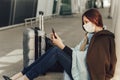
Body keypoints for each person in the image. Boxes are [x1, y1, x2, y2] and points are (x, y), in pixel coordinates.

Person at [3, 8, 117, 80]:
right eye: (83, 23)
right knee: (53, 51)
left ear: (95, 20)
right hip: (81, 66)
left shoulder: (103, 39)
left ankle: (24, 78)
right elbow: (78, 51)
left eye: (86, 22)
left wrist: (61, 46)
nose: (84, 25)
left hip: (87, 73)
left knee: (56, 52)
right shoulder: (91, 35)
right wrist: (61, 43)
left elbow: (90, 59)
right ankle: (18, 76)